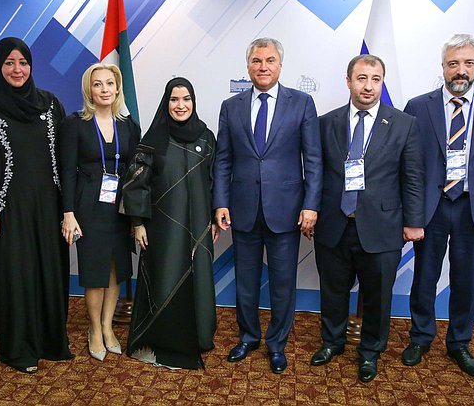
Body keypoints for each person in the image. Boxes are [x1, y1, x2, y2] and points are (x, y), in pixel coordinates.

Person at [401, 34, 474, 377]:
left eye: (468, 63)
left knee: (466, 280)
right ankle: (420, 337)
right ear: (443, 67)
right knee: (424, 277)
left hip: (473, 208)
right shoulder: (417, 106)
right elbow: (407, 166)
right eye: (454, 63)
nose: (461, 70)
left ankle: (459, 343)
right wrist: (409, 212)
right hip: (432, 207)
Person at [0, 37, 73, 373]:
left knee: (49, 275)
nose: (17, 69)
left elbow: (66, 160)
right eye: (9, 63)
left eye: (22, 62)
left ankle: (51, 341)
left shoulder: (50, 105)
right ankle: (18, 349)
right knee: (15, 279)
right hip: (5, 214)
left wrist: (70, 209)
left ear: (31, 65)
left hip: (48, 211)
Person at [311, 54, 424, 382]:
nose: (368, 86)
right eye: (361, 78)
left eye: (375, 79)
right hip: (334, 223)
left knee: (377, 295)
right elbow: (316, 174)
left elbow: (412, 176)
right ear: (349, 82)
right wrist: (312, 211)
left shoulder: (404, 123)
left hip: (382, 226)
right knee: (333, 290)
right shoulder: (326, 123)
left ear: (382, 82)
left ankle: (370, 352)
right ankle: (332, 342)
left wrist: (413, 221)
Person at [213, 37, 322, 374]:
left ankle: (277, 344)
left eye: (269, 60)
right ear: (248, 66)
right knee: (245, 280)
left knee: (282, 282)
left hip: (287, 210)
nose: (263, 67)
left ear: (280, 65)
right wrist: (220, 203)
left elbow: (314, 160)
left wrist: (311, 205)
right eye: (257, 61)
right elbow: (223, 161)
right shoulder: (231, 107)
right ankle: (248, 337)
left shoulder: (302, 103)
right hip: (243, 208)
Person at [120, 77, 217, 370]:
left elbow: (215, 181)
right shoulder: (152, 140)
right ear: (166, 102)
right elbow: (136, 184)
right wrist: (138, 223)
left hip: (199, 224)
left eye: (186, 99)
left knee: (199, 277)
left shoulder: (206, 137)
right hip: (162, 227)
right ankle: (163, 337)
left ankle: (200, 336)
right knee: (166, 278)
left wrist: (214, 216)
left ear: (193, 102)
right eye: (174, 99)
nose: (180, 105)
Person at [59, 63, 139, 361]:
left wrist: (135, 216)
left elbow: (135, 173)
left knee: (117, 268)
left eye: (109, 83)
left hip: (119, 207)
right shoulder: (75, 123)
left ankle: (108, 327)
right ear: (89, 89)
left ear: (118, 88)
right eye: (98, 84)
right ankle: (94, 329)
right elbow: (67, 171)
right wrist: (68, 212)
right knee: (96, 272)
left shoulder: (128, 126)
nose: (104, 89)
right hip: (88, 205)